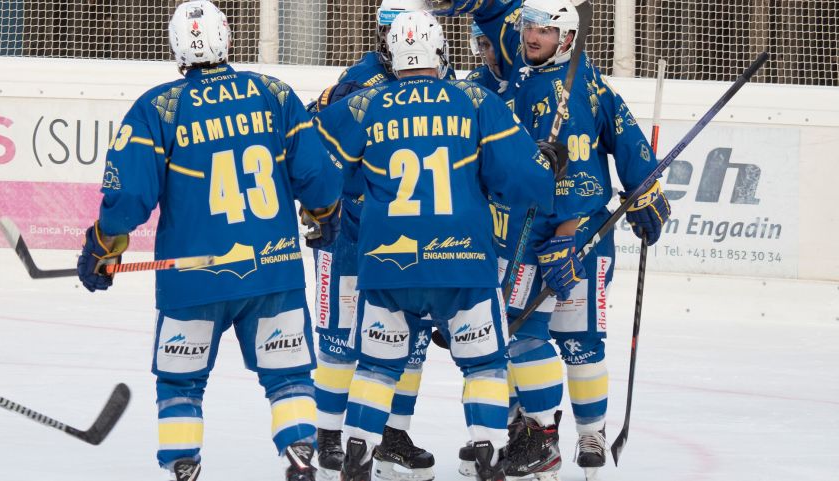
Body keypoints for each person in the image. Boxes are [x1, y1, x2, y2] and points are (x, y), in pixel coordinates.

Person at [75, 2, 343, 480]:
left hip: (192, 278)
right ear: (228, 39)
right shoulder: (273, 93)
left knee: (181, 382)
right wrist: (324, 214)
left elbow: (130, 196)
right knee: (288, 376)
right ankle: (301, 455)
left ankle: (183, 465)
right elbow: (317, 177)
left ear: (175, 49)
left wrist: (102, 244)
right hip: (273, 271)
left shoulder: (158, 107)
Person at [314, 10, 561, 481]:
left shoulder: (365, 104)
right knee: (484, 364)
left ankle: (358, 451)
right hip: (463, 262)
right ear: (441, 51)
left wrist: (327, 208)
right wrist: (543, 167)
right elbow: (521, 180)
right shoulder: (474, 99)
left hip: (388, 264)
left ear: (392, 53)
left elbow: (317, 166)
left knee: (377, 367)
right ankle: (488, 453)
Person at [434, 0, 671, 479]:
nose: (530, 36)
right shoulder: (520, 71)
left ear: (566, 38)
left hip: (576, 237)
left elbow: (593, 164)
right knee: (514, 333)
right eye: (528, 27)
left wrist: (643, 192)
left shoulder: (573, 91)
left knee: (577, 340)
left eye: (543, 30)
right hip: (521, 233)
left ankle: (586, 432)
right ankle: (526, 431)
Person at [307, 2, 453, 480]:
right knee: (340, 334)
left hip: (408, 236)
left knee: (410, 340)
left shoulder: (442, 78)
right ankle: (329, 435)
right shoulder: (359, 82)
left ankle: (393, 435)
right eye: (393, 30)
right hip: (349, 230)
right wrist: (319, 206)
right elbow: (315, 145)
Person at [465, 21, 506, 94]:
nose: (492, 53)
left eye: (499, 43)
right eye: (485, 45)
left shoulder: (526, 77)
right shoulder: (476, 82)